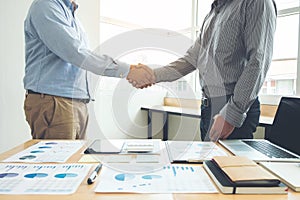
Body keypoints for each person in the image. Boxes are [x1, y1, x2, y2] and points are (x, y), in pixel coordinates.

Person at [128, 0, 277, 141]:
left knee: (227, 167)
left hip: (231, 105)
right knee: (207, 165)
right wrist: (153, 75)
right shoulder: (213, 14)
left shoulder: (256, 3)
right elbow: (191, 59)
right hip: (208, 108)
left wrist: (232, 115)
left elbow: (258, 62)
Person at [23, 0, 155, 139]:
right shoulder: (46, 6)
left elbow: (81, 55)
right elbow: (75, 52)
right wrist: (128, 70)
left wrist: (130, 70)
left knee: (77, 159)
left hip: (75, 102)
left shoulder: (70, 14)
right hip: (55, 102)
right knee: (59, 160)